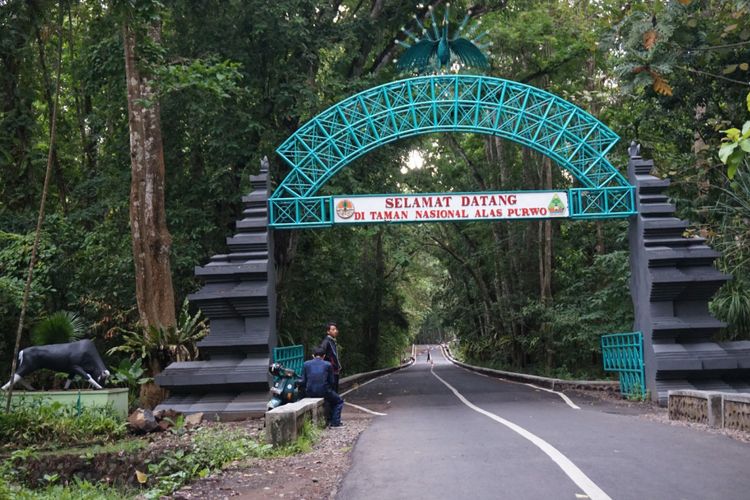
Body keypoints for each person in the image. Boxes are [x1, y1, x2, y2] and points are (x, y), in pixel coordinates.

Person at [299, 347, 344, 427]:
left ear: (313, 355)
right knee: (339, 401)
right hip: (324, 391)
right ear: (324, 356)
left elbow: (303, 381)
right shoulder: (328, 364)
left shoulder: (306, 364)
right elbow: (332, 381)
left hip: (310, 391)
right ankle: (335, 422)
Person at [319, 322, 342, 393]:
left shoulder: (332, 341)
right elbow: (320, 353)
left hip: (335, 370)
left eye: (336, 329)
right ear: (328, 331)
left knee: (335, 391)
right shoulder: (326, 342)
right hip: (331, 371)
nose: (336, 331)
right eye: (333, 329)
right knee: (332, 391)